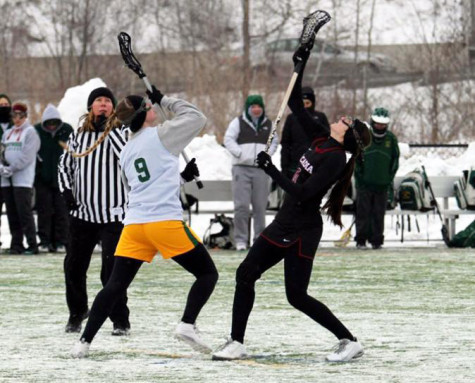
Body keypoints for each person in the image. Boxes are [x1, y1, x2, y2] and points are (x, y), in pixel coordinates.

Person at [212, 45, 371, 363]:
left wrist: (270, 169)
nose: (342, 118)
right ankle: (237, 341)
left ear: (349, 135)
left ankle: (349, 341)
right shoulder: (322, 137)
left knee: (294, 295)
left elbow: (304, 193)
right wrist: (300, 63)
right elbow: (296, 103)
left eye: (347, 121)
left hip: (300, 228)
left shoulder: (336, 157)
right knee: (247, 274)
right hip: (287, 223)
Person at [70, 88, 219, 359]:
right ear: (145, 114)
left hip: (135, 226)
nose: (155, 108)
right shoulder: (163, 134)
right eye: (150, 106)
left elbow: (144, 184)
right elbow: (196, 117)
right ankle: (186, 324)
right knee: (208, 274)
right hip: (164, 223)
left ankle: (83, 342)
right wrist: (166, 100)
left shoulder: (126, 150)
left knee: (114, 286)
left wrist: (181, 177)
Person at [58, 87, 131, 335]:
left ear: (113, 108)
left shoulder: (121, 133)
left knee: (112, 271)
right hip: (83, 214)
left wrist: (107, 130)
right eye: (98, 101)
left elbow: (126, 157)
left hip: (113, 214)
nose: (103, 104)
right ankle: (77, 313)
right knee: (74, 267)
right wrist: (67, 192)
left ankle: (120, 320)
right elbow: (64, 167)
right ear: (91, 107)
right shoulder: (78, 136)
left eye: (107, 101)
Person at [223, 95, 279, 251]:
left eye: (259, 106)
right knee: (241, 206)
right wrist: (240, 153)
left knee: (260, 207)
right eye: (253, 107)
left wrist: (268, 154)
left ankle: (259, 239)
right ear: (248, 108)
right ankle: (241, 240)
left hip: (261, 170)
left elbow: (274, 141)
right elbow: (228, 139)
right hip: (241, 168)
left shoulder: (269, 124)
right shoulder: (238, 122)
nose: (256, 110)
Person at [354, 107, 399, 250]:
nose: (380, 126)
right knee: (363, 214)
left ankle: (377, 240)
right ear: (372, 122)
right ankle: (361, 240)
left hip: (382, 185)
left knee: (378, 214)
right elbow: (357, 159)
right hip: (364, 185)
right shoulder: (364, 136)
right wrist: (360, 178)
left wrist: (388, 178)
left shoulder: (391, 139)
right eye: (377, 123)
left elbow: (395, 160)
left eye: (383, 124)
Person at [0, 102, 40, 255]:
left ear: (25, 116)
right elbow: (2, 152)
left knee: (24, 212)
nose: (17, 119)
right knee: (12, 213)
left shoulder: (30, 132)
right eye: (14, 116)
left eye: (20, 116)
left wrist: (11, 168)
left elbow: (27, 156)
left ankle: (32, 243)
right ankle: (16, 244)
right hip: (6, 180)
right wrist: (2, 168)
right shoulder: (8, 133)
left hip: (22, 180)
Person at [34, 104, 73, 253]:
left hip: (62, 179)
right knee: (44, 210)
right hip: (42, 179)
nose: (51, 126)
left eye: (54, 122)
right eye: (48, 123)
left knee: (61, 211)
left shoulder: (67, 131)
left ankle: (61, 241)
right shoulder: (36, 131)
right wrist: (39, 172)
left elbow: (73, 152)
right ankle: (44, 241)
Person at [280, 86, 330, 178]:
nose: (305, 106)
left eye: (308, 103)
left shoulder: (321, 117)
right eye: (302, 103)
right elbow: (285, 143)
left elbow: (327, 141)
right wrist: (284, 166)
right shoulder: (291, 118)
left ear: (313, 103)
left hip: (315, 165)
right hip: (294, 166)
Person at [0, 93, 13, 249]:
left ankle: (17, 241)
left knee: (14, 212)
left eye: (5, 105)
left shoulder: (15, 126)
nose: (3, 107)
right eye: (0, 105)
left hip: (13, 176)